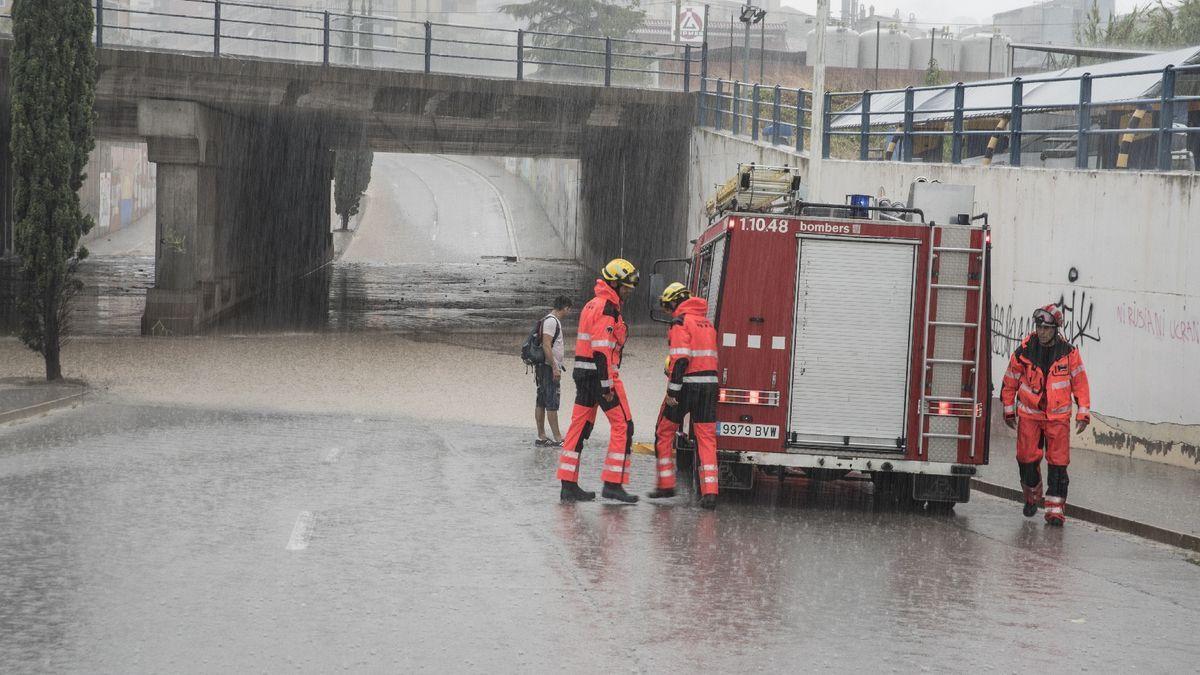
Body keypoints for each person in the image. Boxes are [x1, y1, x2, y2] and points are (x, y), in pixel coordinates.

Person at [555, 258, 640, 504]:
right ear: (613, 284)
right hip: (601, 376)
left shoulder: (591, 304)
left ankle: (568, 485)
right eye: (625, 287)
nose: (628, 292)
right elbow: (602, 350)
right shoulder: (607, 309)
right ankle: (613, 484)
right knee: (624, 426)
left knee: (578, 428)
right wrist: (607, 385)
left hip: (583, 375)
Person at [1000, 304, 1092, 526]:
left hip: (1057, 418)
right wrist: (1008, 410)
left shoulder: (1069, 354)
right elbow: (1010, 381)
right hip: (1030, 415)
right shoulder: (1024, 352)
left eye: (1046, 328)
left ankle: (1055, 509)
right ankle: (1032, 496)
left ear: (1056, 329)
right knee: (1025, 459)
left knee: (1058, 463)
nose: (1041, 331)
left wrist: (1083, 413)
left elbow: (1080, 384)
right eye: (1039, 327)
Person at [648, 283, 720, 509]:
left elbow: (680, 359)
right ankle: (710, 493)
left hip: (686, 386)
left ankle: (666, 484)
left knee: (664, 431)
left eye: (669, 306)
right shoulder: (706, 323)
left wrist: (672, 392)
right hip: (709, 386)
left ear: (675, 302)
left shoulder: (680, 322)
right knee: (706, 437)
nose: (669, 312)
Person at [534, 296, 573, 447]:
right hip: (548, 367)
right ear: (564, 307)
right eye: (568, 309)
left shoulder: (547, 320)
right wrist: (555, 367)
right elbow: (546, 345)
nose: (568, 312)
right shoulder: (552, 321)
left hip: (544, 367)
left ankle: (542, 436)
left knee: (542, 401)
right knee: (551, 402)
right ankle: (558, 439)